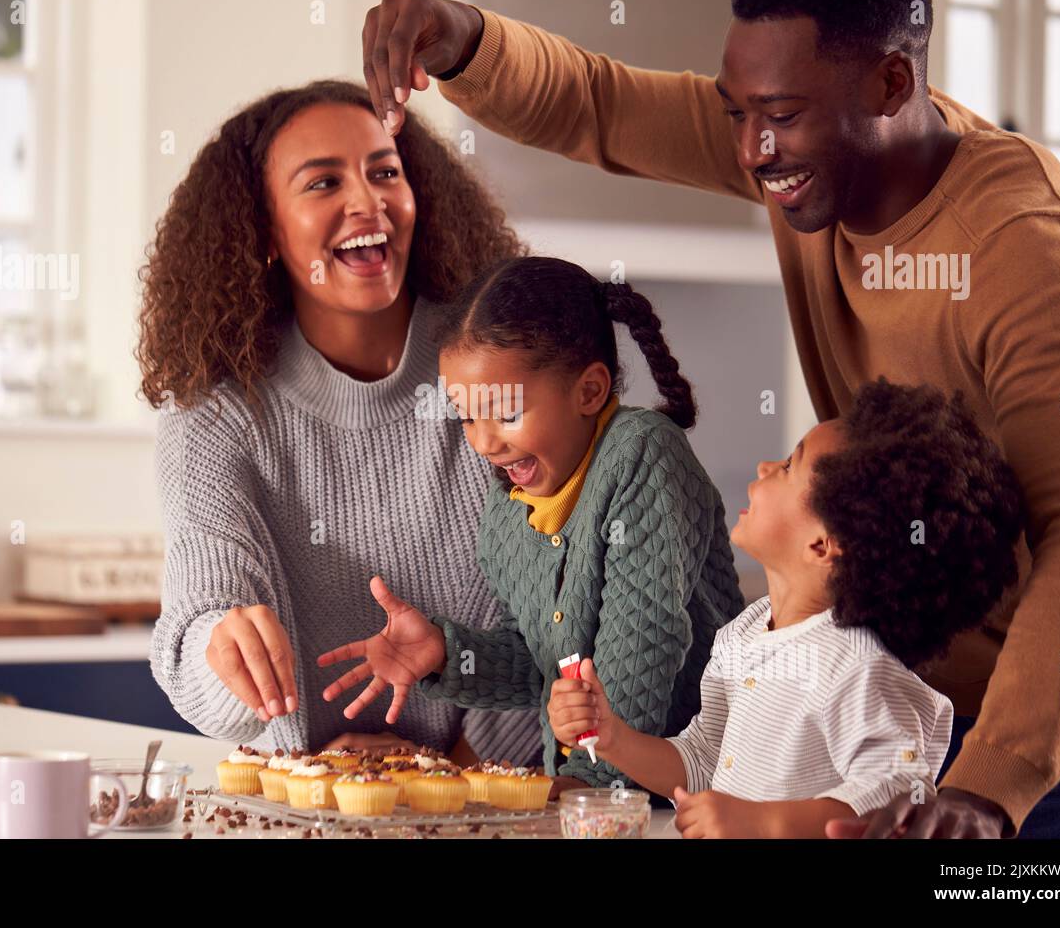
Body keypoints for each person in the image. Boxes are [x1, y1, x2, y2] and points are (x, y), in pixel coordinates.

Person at [358, 0, 1060, 837]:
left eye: (782, 117)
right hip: (879, 686)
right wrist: (465, 40)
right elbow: (600, 105)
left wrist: (991, 786)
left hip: (1033, 724)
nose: (755, 151)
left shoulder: (1024, 252)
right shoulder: (811, 142)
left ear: (892, 85)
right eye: (737, 115)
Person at [139, 79, 541, 766]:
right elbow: (198, 620)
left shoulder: (499, 371)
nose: (368, 202)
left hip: (497, 795)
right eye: (323, 183)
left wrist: (443, 771)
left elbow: (560, 614)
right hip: (306, 808)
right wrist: (226, 648)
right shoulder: (215, 416)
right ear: (263, 232)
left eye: (385, 172)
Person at [316, 257, 745, 797]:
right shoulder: (508, 510)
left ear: (589, 391)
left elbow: (646, 644)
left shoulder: (644, 455)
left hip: (701, 791)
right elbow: (543, 666)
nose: (484, 442)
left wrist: (581, 788)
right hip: (595, 797)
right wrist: (445, 654)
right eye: (467, 416)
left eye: (504, 412)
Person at [550, 379, 1024, 837]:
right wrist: (612, 736)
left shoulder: (859, 667)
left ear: (821, 545)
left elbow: (898, 795)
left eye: (787, 467)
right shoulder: (744, 632)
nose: (763, 466)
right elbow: (699, 762)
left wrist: (762, 824)